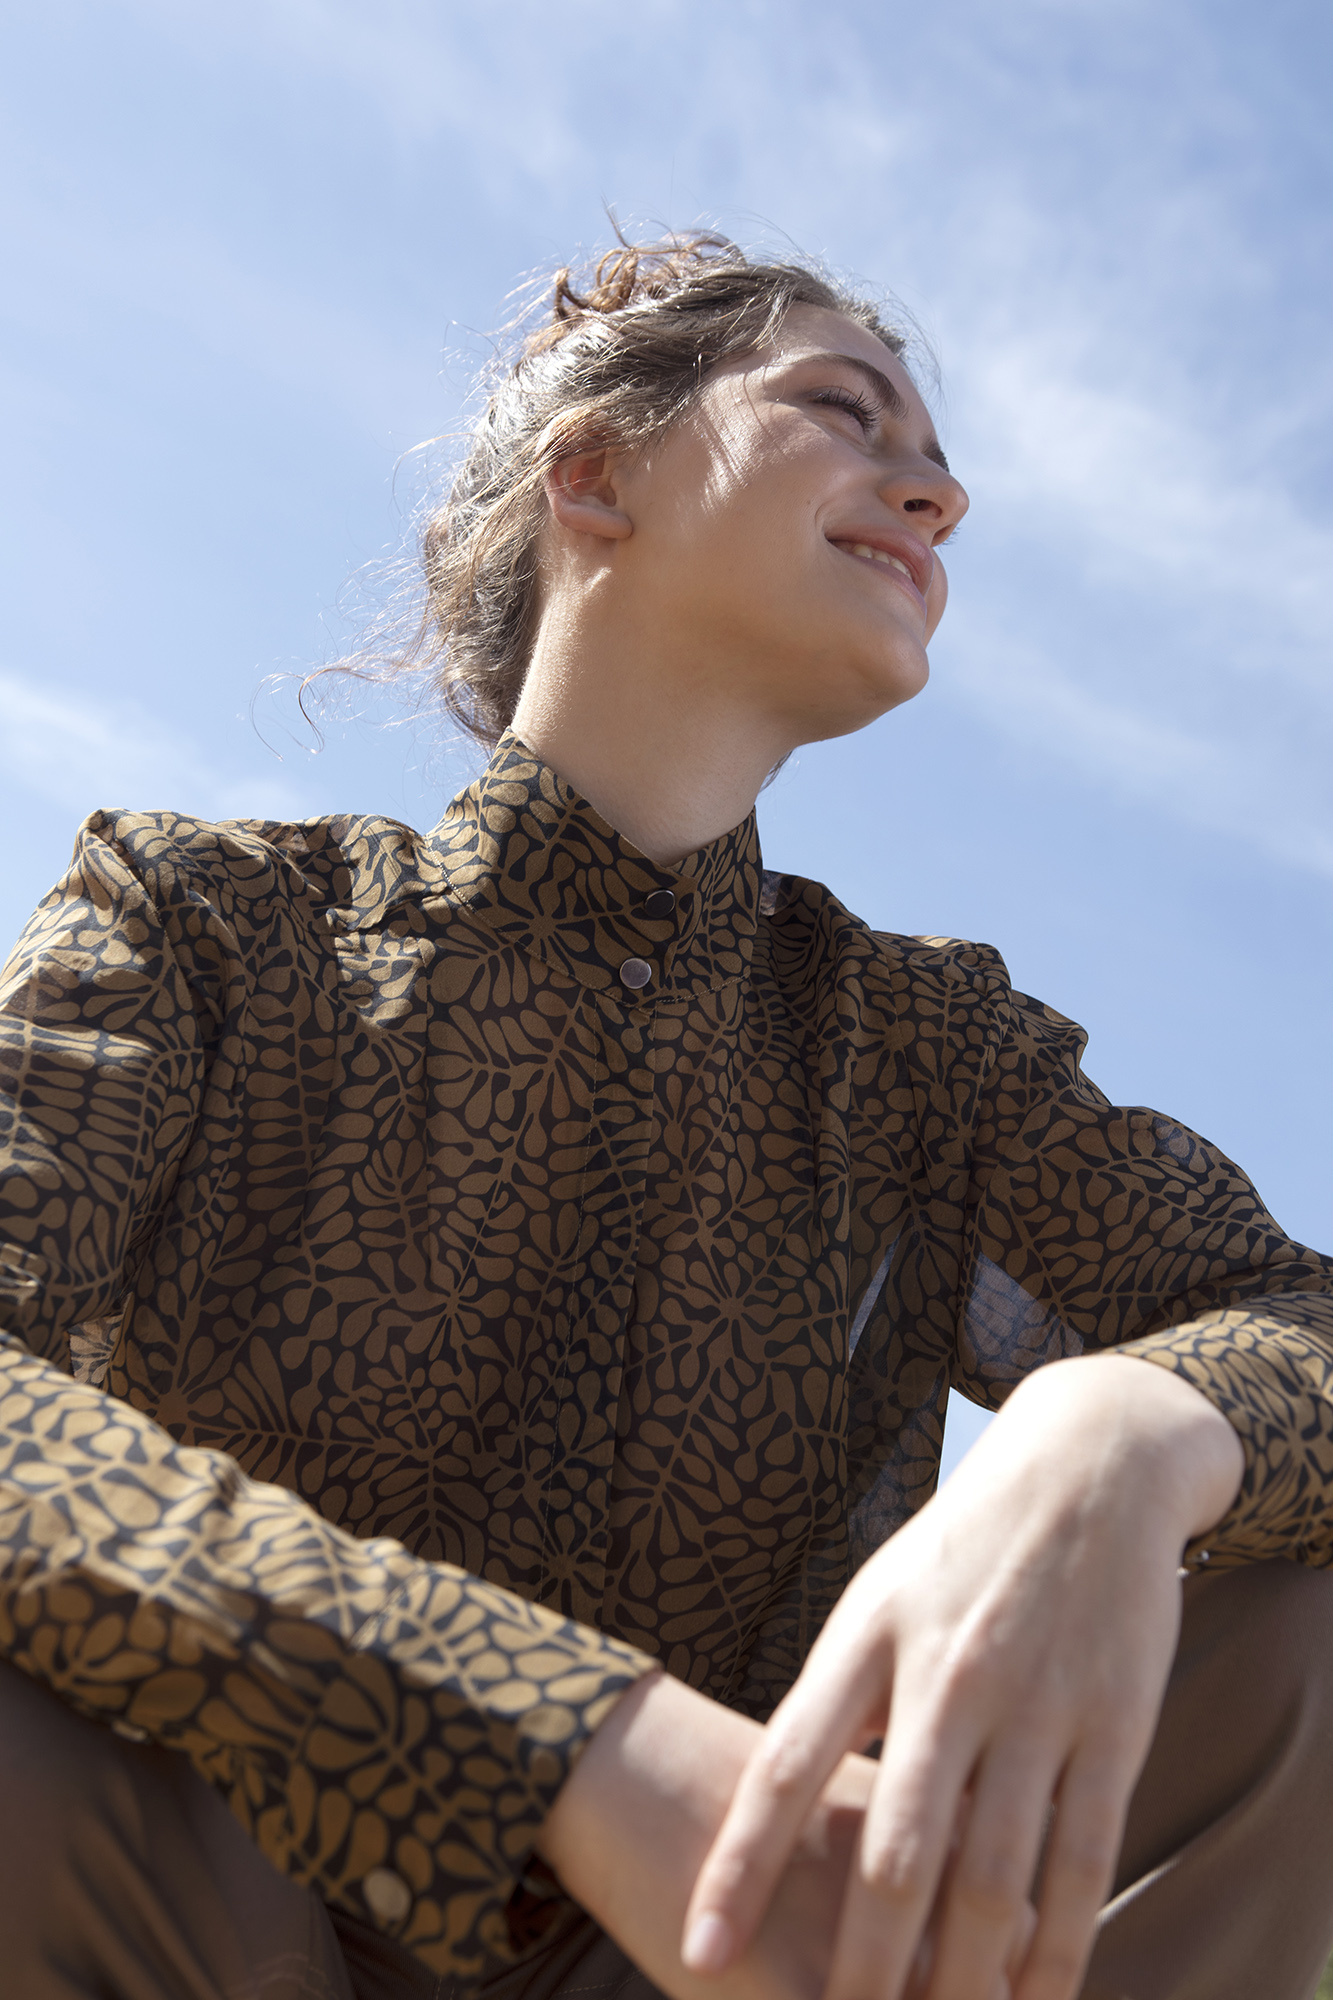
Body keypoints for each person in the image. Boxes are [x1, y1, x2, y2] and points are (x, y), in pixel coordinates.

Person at [1, 233, 1332, 2000]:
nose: (934, 494)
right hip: (186, 1916)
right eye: (842, 410)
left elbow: (1296, 1315)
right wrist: (563, 1740)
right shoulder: (206, 923)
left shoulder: (931, 1054)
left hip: (752, 1953)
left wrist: (1130, 1428)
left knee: (1301, 1592)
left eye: (935, 462)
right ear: (596, 477)